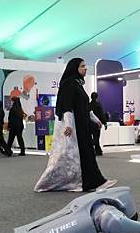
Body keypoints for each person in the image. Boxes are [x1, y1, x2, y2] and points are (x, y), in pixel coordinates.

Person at [35, 58, 116, 192]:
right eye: (82, 66)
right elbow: (67, 106)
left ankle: (95, 182)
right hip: (75, 126)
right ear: (75, 68)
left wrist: (96, 120)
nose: (85, 68)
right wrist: (68, 125)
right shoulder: (69, 84)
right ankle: (54, 182)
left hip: (82, 125)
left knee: (87, 153)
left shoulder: (78, 84)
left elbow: (84, 107)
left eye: (85, 66)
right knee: (72, 155)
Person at [88, 92, 107, 156]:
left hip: (90, 123)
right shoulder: (98, 105)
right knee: (96, 137)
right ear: (97, 97)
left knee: (93, 137)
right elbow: (101, 114)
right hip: (97, 123)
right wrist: (104, 123)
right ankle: (95, 149)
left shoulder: (89, 105)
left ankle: (98, 150)